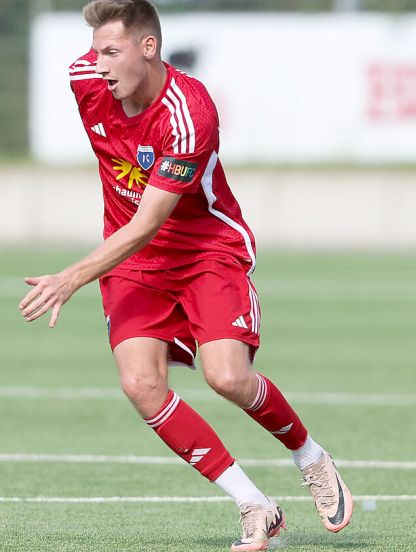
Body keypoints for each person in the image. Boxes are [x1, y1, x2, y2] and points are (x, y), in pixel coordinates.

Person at [18, 2, 352, 550]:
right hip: (132, 265)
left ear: (149, 48)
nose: (97, 64)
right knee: (141, 385)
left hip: (205, 252)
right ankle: (253, 504)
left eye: (111, 51)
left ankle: (309, 455)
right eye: (94, 50)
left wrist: (71, 277)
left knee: (228, 378)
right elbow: (137, 238)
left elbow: (149, 223)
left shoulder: (189, 112)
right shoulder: (85, 80)